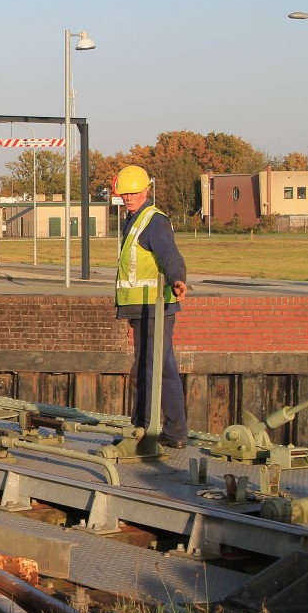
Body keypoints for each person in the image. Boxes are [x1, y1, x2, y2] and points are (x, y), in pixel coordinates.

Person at [114, 165, 189, 449]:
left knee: (154, 366)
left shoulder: (153, 221)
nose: (128, 197)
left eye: (133, 192)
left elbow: (170, 255)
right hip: (140, 307)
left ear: (146, 190)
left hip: (154, 307)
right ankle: (155, 428)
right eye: (124, 193)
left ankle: (159, 429)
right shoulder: (133, 220)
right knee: (152, 365)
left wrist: (178, 280)